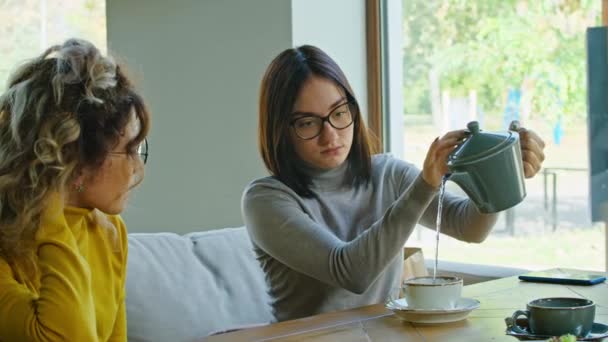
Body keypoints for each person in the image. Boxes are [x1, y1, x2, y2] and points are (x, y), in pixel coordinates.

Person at [242, 45, 545, 322]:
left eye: (339, 113)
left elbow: (468, 227)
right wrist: (425, 183)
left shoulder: (387, 174)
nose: (331, 134)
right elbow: (351, 272)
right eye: (308, 122)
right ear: (281, 130)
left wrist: (503, 170)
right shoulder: (266, 200)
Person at [0, 38, 150, 340]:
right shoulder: (7, 245)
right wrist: (51, 214)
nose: (138, 168)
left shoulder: (109, 232)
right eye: (129, 150)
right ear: (76, 160)